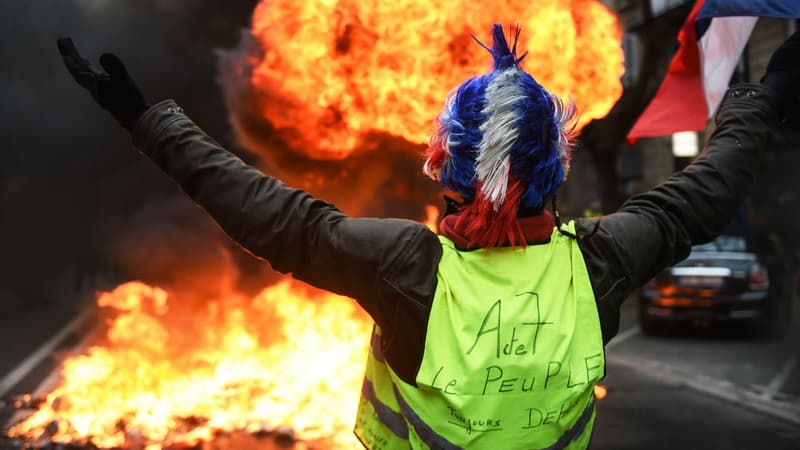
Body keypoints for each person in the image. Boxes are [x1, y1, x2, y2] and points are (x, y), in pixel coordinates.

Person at [57, 24, 797, 450]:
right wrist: (755, 105)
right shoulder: (599, 262)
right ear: (557, 164)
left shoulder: (411, 268)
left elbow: (274, 220)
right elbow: (698, 200)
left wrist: (150, 123)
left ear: (445, 162)